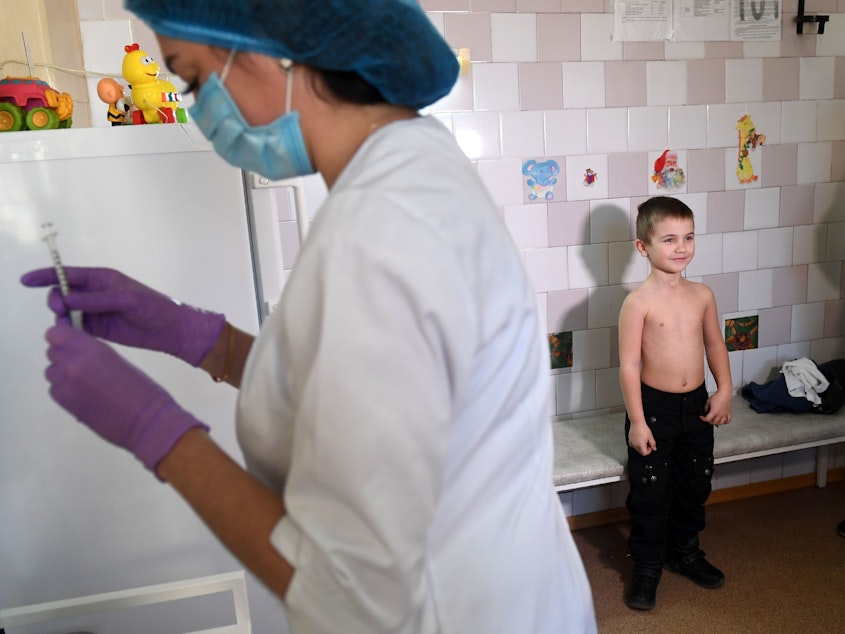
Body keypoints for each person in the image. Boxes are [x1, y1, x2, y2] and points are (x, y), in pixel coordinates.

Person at [20, 1, 597, 632]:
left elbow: (349, 592)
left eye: (191, 80)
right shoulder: (415, 166)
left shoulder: (379, 231)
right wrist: (197, 337)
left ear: (276, 49)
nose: (198, 109)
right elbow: (362, 393)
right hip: (515, 588)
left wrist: (154, 429)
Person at [617, 196, 733, 611]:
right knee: (650, 490)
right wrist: (637, 423)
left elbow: (715, 343)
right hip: (654, 409)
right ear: (643, 247)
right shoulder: (638, 303)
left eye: (688, 237)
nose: (681, 247)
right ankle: (648, 565)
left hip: (697, 405)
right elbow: (629, 365)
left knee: (695, 482)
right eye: (669, 239)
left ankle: (684, 550)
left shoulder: (702, 294)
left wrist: (724, 389)